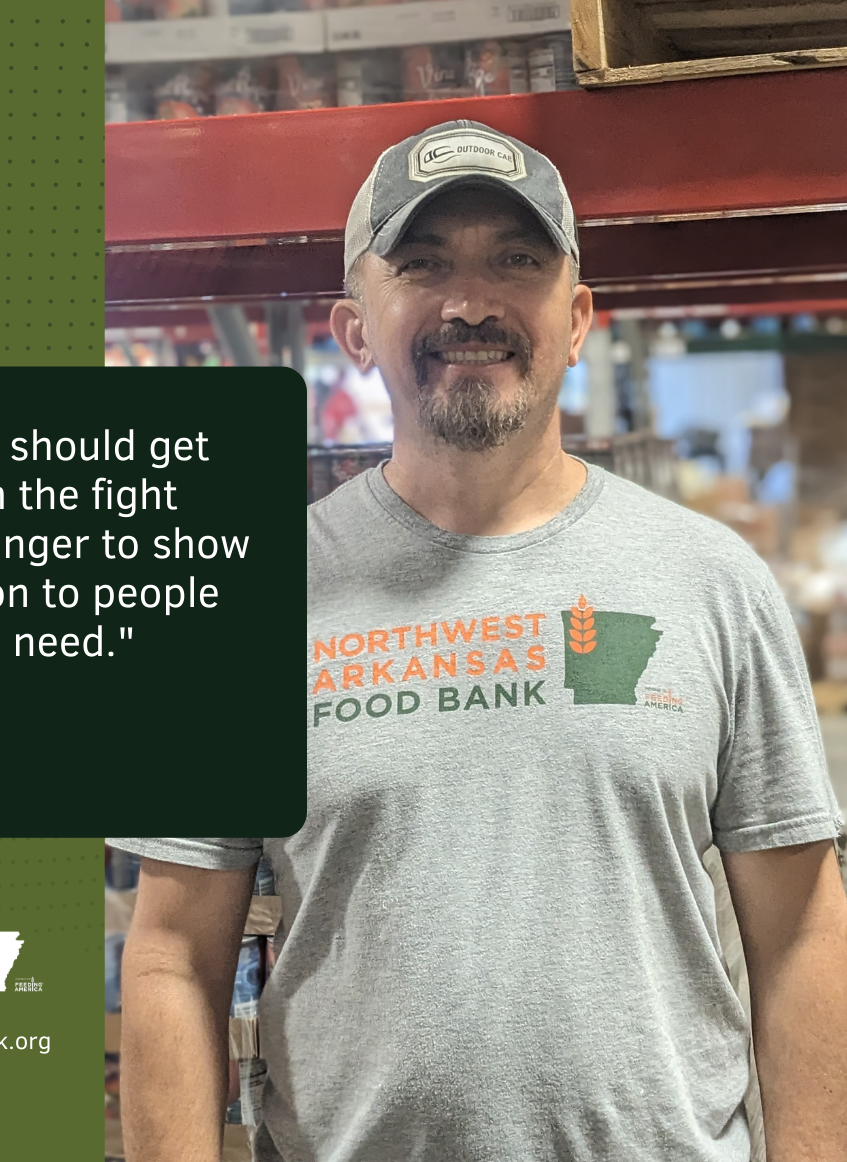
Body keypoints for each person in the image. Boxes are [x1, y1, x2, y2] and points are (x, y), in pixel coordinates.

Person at [111, 119, 847, 1162]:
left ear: (580, 314)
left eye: (517, 262)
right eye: (423, 264)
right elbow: (174, 960)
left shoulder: (709, 582)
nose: (470, 303)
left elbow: (804, 937)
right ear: (354, 327)